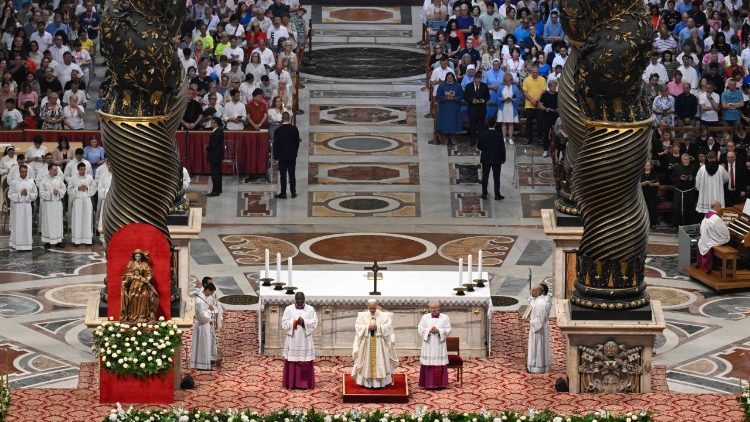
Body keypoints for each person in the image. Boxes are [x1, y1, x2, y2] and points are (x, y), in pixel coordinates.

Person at [352, 299, 399, 388]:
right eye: (370, 308)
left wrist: (378, 327)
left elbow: (388, 327)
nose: (372, 310)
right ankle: (366, 382)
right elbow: (357, 327)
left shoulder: (383, 316)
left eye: (374, 308)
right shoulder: (362, 316)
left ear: (377, 306)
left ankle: (381, 382)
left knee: (380, 360)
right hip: (367, 341)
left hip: (379, 342)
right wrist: (367, 327)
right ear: (368, 307)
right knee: (366, 361)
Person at [281, 292, 317, 390]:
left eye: (301, 299)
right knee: (293, 360)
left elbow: (314, 323)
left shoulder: (310, 309)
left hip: (305, 340)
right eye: (298, 299)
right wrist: (295, 322)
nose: (300, 301)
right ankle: (291, 383)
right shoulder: (288, 309)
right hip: (293, 338)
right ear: (295, 299)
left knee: (305, 360)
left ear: (304, 299)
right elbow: (284, 323)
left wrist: (304, 322)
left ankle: (305, 384)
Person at [417, 300, 452, 389]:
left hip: (439, 344)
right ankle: (427, 383)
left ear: (438, 307)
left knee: (438, 362)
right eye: (432, 308)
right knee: (428, 362)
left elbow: (448, 329)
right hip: (428, 343)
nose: (433, 310)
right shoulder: (425, 317)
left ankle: (439, 384)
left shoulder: (445, 317)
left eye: (435, 308)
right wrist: (428, 330)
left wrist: (439, 331)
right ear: (429, 308)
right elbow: (420, 329)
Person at [9, 164, 37, 251]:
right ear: (19, 171)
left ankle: (27, 245)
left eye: (25, 172)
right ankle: (17, 244)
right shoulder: (14, 182)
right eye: (22, 171)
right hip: (18, 207)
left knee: (27, 225)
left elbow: (35, 195)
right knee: (18, 225)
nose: (24, 173)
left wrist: (27, 194)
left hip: (27, 206)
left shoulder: (31, 182)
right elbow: (10, 195)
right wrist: (20, 194)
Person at [273, 112, 301, 199]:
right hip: (292, 156)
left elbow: (276, 145)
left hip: (282, 156)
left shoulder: (278, 131)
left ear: (282, 118)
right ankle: (293, 193)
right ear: (289, 118)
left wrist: (275, 156)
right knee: (292, 174)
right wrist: (295, 153)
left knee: (283, 175)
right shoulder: (294, 129)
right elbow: (297, 143)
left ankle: (283, 193)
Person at [697, 201, 731, 272]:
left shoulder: (707, 215)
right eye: (720, 206)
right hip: (711, 241)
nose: (721, 208)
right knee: (730, 240)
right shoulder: (716, 218)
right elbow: (725, 233)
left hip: (705, 239)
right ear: (716, 207)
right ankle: (729, 265)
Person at [191, 282, 218, 370]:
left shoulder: (203, 297)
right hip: (202, 325)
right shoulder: (199, 301)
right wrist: (210, 312)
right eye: (211, 292)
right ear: (207, 290)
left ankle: (206, 363)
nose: (211, 294)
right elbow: (201, 315)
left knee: (206, 345)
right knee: (203, 346)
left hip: (205, 324)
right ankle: (202, 365)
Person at [68, 162, 96, 246]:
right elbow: (69, 190)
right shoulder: (73, 178)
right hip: (77, 201)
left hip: (87, 200)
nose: (83, 171)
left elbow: (94, 188)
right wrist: (78, 188)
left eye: (84, 169)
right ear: (78, 169)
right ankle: (77, 240)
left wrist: (87, 187)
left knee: (87, 219)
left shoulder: (89, 178)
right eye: (81, 169)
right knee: (78, 220)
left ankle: (88, 240)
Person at [477, 123, 506, 200]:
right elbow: (502, 148)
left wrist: (485, 149)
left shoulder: (483, 134)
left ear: (487, 124)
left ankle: (484, 194)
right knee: (496, 177)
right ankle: (497, 194)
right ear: (495, 124)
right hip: (496, 159)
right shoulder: (499, 135)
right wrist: (503, 159)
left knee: (485, 177)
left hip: (486, 158)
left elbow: (479, 146)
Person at [38, 163, 65, 248]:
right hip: (48, 204)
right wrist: (51, 192)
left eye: (56, 170)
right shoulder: (44, 180)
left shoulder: (59, 179)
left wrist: (59, 192)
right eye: (54, 170)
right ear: (49, 170)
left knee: (58, 222)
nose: (56, 172)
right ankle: (47, 242)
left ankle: (58, 241)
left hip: (57, 203)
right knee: (48, 222)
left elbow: (64, 189)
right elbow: (41, 193)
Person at [527, 283, 551, 374]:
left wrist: (530, 321)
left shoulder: (540, 304)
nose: (531, 291)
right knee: (538, 347)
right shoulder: (539, 301)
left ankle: (537, 368)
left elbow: (540, 320)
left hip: (538, 330)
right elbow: (534, 304)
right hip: (539, 328)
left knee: (537, 348)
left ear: (538, 292)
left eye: (533, 290)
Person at [435, 72, 463, 146]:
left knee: (453, 122)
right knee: (445, 122)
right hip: (444, 107)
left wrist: (455, 98)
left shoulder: (458, 86)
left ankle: (453, 137)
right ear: (446, 78)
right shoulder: (441, 86)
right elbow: (438, 96)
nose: (449, 79)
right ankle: (445, 137)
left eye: (451, 77)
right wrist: (445, 98)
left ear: (453, 78)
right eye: (448, 77)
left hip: (454, 107)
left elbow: (461, 95)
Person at [463, 70, 490, 144]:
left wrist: (483, 100)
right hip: (472, 108)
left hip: (481, 109)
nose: (478, 81)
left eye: (479, 79)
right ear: (474, 79)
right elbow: (465, 96)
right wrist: (472, 100)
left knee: (481, 126)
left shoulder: (484, 86)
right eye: (476, 79)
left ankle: (481, 141)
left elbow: (488, 96)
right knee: (472, 125)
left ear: (481, 79)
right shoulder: (468, 86)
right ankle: (473, 141)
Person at [522, 65, 546, 145]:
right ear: (531, 72)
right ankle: (528, 138)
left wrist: (537, 101)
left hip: (539, 105)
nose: (535, 74)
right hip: (529, 105)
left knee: (540, 122)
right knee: (528, 122)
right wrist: (532, 100)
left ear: (538, 73)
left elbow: (543, 91)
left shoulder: (542, 79)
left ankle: (539, 138)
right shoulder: (526, 79)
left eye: (536, 72)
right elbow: (525, 92)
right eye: (533, 72)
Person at [671, 153, 697, 226]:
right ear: (682, 160)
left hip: (689, 192)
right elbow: (672, 179)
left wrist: (692, 178)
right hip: (679, 192)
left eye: (687, 159)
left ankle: (689, 225)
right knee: (677, 209)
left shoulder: (693, 168)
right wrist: (679, 178)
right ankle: (677, 225)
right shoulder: (677, 167)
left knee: (690, 209)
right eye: (684, 159)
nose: (686, 161)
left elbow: (698, 178)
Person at [496, 73, 521, 145]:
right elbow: (497, 97)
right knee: (503, 122)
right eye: (506, 81)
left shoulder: (515, 88)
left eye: (509, 81)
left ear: (511, 80)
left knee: (511, 123)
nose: (508, 82)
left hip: (512, 107)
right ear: (504, 81)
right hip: (503, 106)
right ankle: (503, 138)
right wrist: (503, 99)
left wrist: (512, 99)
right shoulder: (501, 87)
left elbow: (518, 97)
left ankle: (510, 138)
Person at [206, 117, 224, 197]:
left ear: (217, 124)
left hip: (215, 156)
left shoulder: (217, 132)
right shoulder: (219, 131)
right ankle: (218, 189)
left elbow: (213, 145)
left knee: (215, 174)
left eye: (214, 123)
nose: (212, 124)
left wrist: (207, 148)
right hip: (217, 156)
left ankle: (215, 191)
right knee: (218, 173)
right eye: (212, 122)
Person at [641, 161, 660, 229]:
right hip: (643, 194)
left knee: (652, 209)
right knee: (643, 209)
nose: (648, 167)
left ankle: (652, 224)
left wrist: (652, 184)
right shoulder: (641, 174)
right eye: (646, 165)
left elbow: (658, 183)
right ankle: (643, 224)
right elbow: (637, 184)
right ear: (644, 166)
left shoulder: (653, 173)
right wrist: (643, 183)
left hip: (652, 194)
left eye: (649, 166)